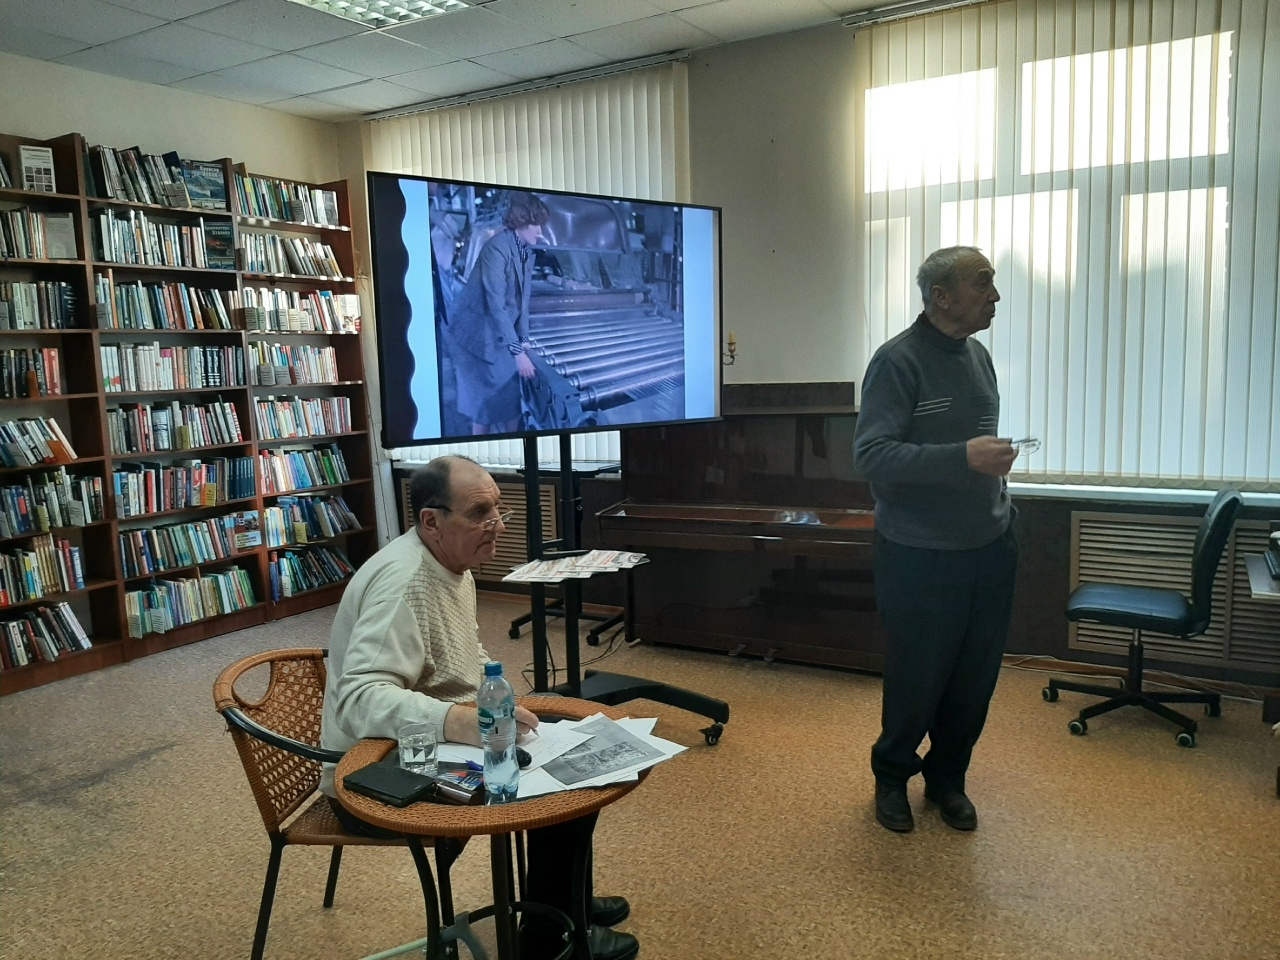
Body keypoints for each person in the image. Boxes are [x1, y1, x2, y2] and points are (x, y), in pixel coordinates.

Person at [319, 455, 639, 960]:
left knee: (572, 752)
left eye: (497, 509)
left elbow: (461, 657)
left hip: (420, 746)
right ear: (432, 520)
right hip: (374, 777)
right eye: (479, 513)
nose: (497, 525)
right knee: (560, 785)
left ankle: (564, 902)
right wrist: (460, 720)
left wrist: (496, 701)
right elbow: (357, 699)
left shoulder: (450, 561)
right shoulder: (403, 585)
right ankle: (549, 935)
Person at [852, 245, 1019, 834]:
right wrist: (963, 458)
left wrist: (987, 467)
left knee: (975, 679)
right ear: (941, 297)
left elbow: (971, 450)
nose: (994, 296)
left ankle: (948, 779)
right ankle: (891, 777)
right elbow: (872, 456)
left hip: (990, 544)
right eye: (982, 284)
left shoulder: (979, 356)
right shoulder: (896, 361)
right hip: (919, 553)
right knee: (917, 678)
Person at [444, 192, 549, 435]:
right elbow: (496, 303)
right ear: (521, 221)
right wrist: (517, 352)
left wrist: (523, 339)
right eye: (536, 224)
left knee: (507, 399)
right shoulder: (496, 249)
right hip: (476, 337)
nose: (541, 231)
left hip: (496, 333)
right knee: (486, 403)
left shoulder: (524, 252)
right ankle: (480, 448)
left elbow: (522, 301)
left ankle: (514, 444)